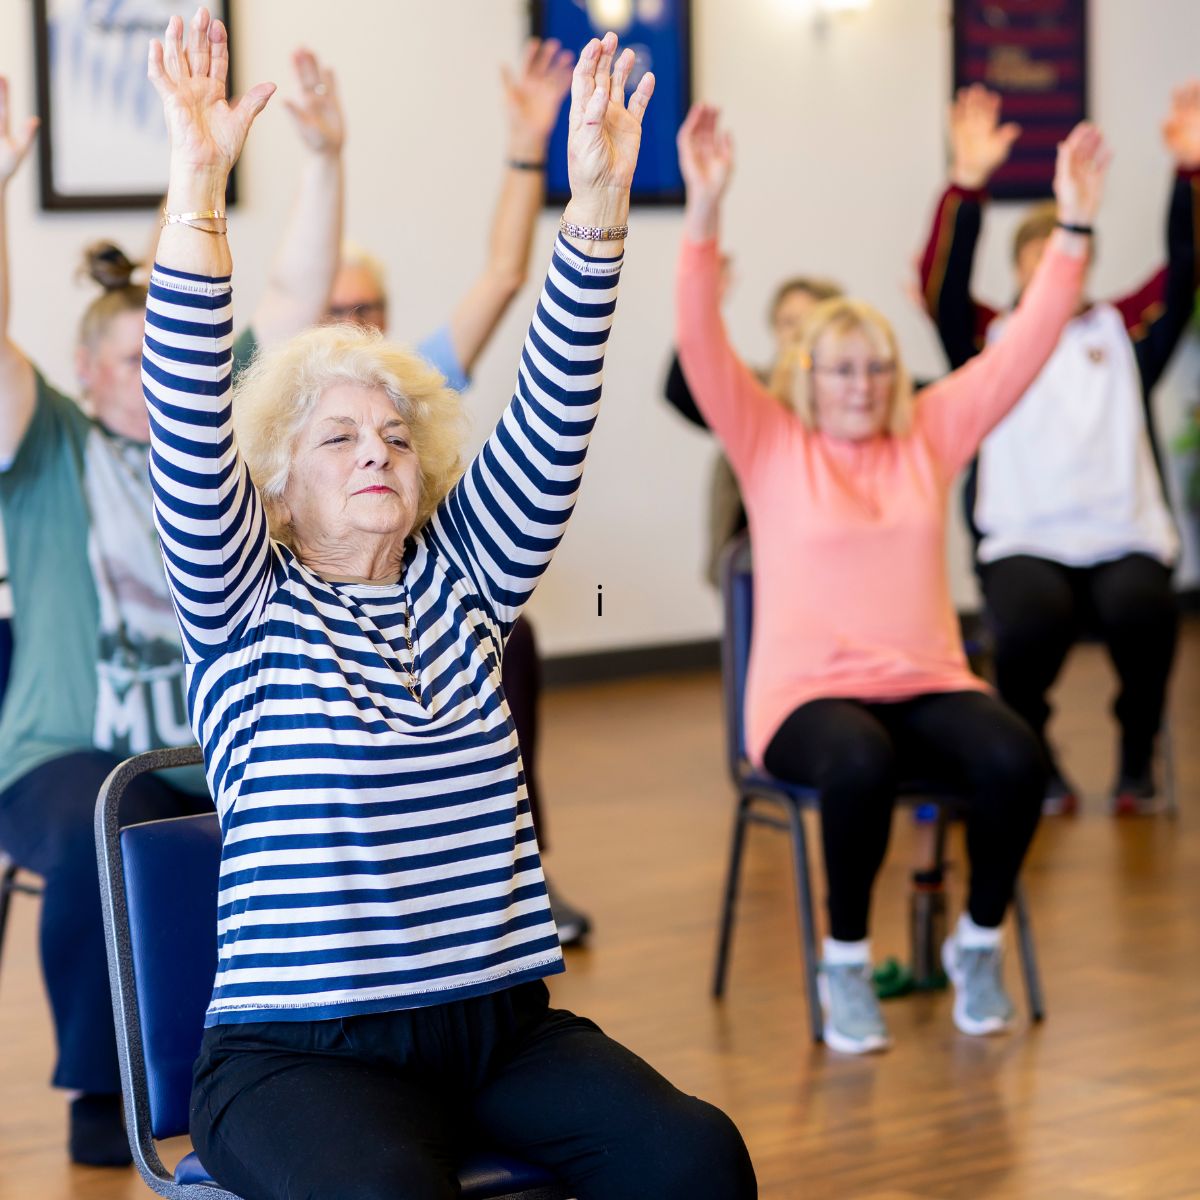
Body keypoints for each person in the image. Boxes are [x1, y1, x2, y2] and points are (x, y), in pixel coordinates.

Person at [145, 13, 755, 1199]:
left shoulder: (464, 581)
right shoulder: (241, 605)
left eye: (393, 435)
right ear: (275, 485)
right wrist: (198, 195)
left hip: (500, 1031)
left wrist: (597, 207)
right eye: (336, 439)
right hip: (297, 1053)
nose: (375, 450)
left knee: (696, 1157)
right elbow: (184, 408)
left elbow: (557, 397)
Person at [675, 102, 1107, 1054]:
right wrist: (702, 209)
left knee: (1016, 757)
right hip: (804, 701)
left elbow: (1026, 344)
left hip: (925, 683)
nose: (863, 385)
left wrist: (1074, 226)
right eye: (842, 370)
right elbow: (699, 342)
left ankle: (977, 943)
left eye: (877, 368)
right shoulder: (770, 443)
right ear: (807, 377)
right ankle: (845, 964)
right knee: (859, 762)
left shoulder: (931, 433)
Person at [0, 50, 344, 1166]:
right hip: (68, 752)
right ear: (88, 370)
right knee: (111, 820)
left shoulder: (215, 442)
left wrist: (324, 159)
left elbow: (294, 305)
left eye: (166, 352)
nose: (154, 372)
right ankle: (110, 1089)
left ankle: (301, 1057)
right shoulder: (48, 443)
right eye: (130, 355)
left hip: (211, 742)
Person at [309, 38, 593, 943]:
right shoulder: (283, 415)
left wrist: (527, 146)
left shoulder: (410, 382)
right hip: (319, 655)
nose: (354, 323)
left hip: (429, 618)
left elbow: (505, 274)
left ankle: (518, 869)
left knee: (513, 643)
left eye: (367, 308)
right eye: (335, 309)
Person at [919, 83, 1200, 815]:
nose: (1055, 272)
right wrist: (966, 183)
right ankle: (1035, 757)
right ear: (1018, 273)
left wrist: (1191, 171)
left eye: (1068, 257)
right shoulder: (989, 342)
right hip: (1025, 539)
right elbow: (942, 289)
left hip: (1122, 535)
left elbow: (1186, 265)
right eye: (1037, 261)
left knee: (1147, 615)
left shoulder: (1123, 333)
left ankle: (1136, 758)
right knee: (1026, 627)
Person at [663, 262, 843, 584]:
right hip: (750, 565)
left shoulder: (859, 399)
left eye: (810, 321)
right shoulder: (750, 391)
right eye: (788, 322)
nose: (797, 333)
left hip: (832, 561)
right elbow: (681, 391)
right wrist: (703, 308)